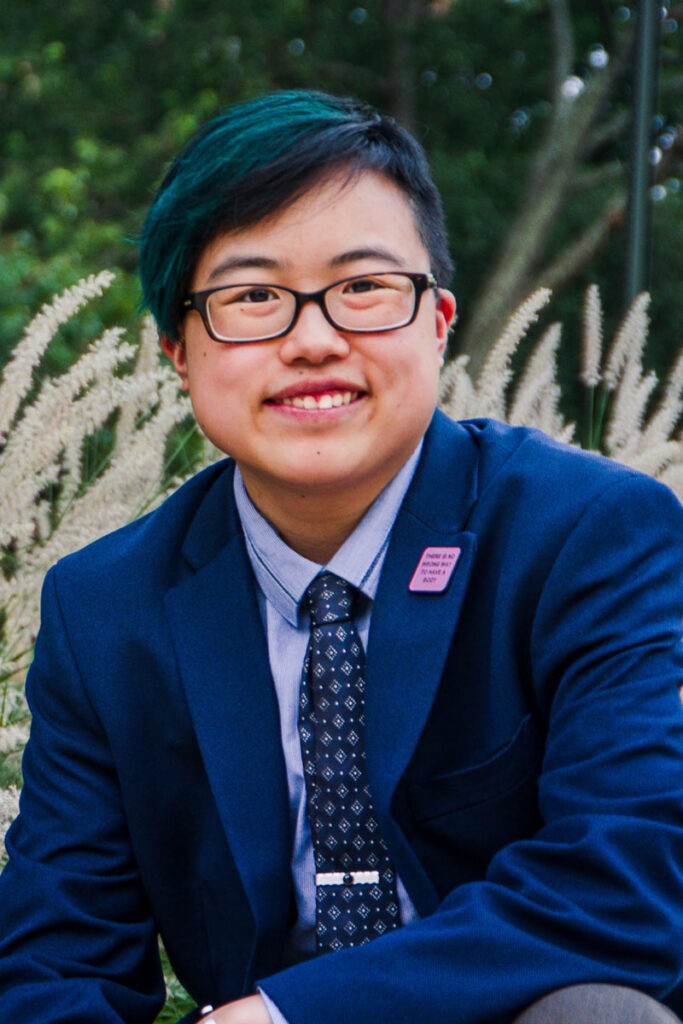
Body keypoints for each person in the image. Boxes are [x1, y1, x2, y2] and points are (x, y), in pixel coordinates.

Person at [1, 90, 683, 1024]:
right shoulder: (108, 609)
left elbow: (625, 887)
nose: (313, 340)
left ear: (438, 319)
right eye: (251, 298)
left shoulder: (588, 535)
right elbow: (50, 966)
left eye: (363, 287)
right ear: (177, 349)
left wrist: (290, 1015)